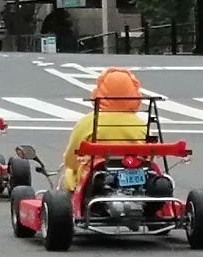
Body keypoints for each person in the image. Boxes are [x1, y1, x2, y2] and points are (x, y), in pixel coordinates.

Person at [57, 65, 153, 196]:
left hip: (95, 180)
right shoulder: (141, 125)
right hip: (136, 174)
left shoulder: (89, 122)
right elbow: (149, 157)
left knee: (68, 173)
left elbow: (70, 159)